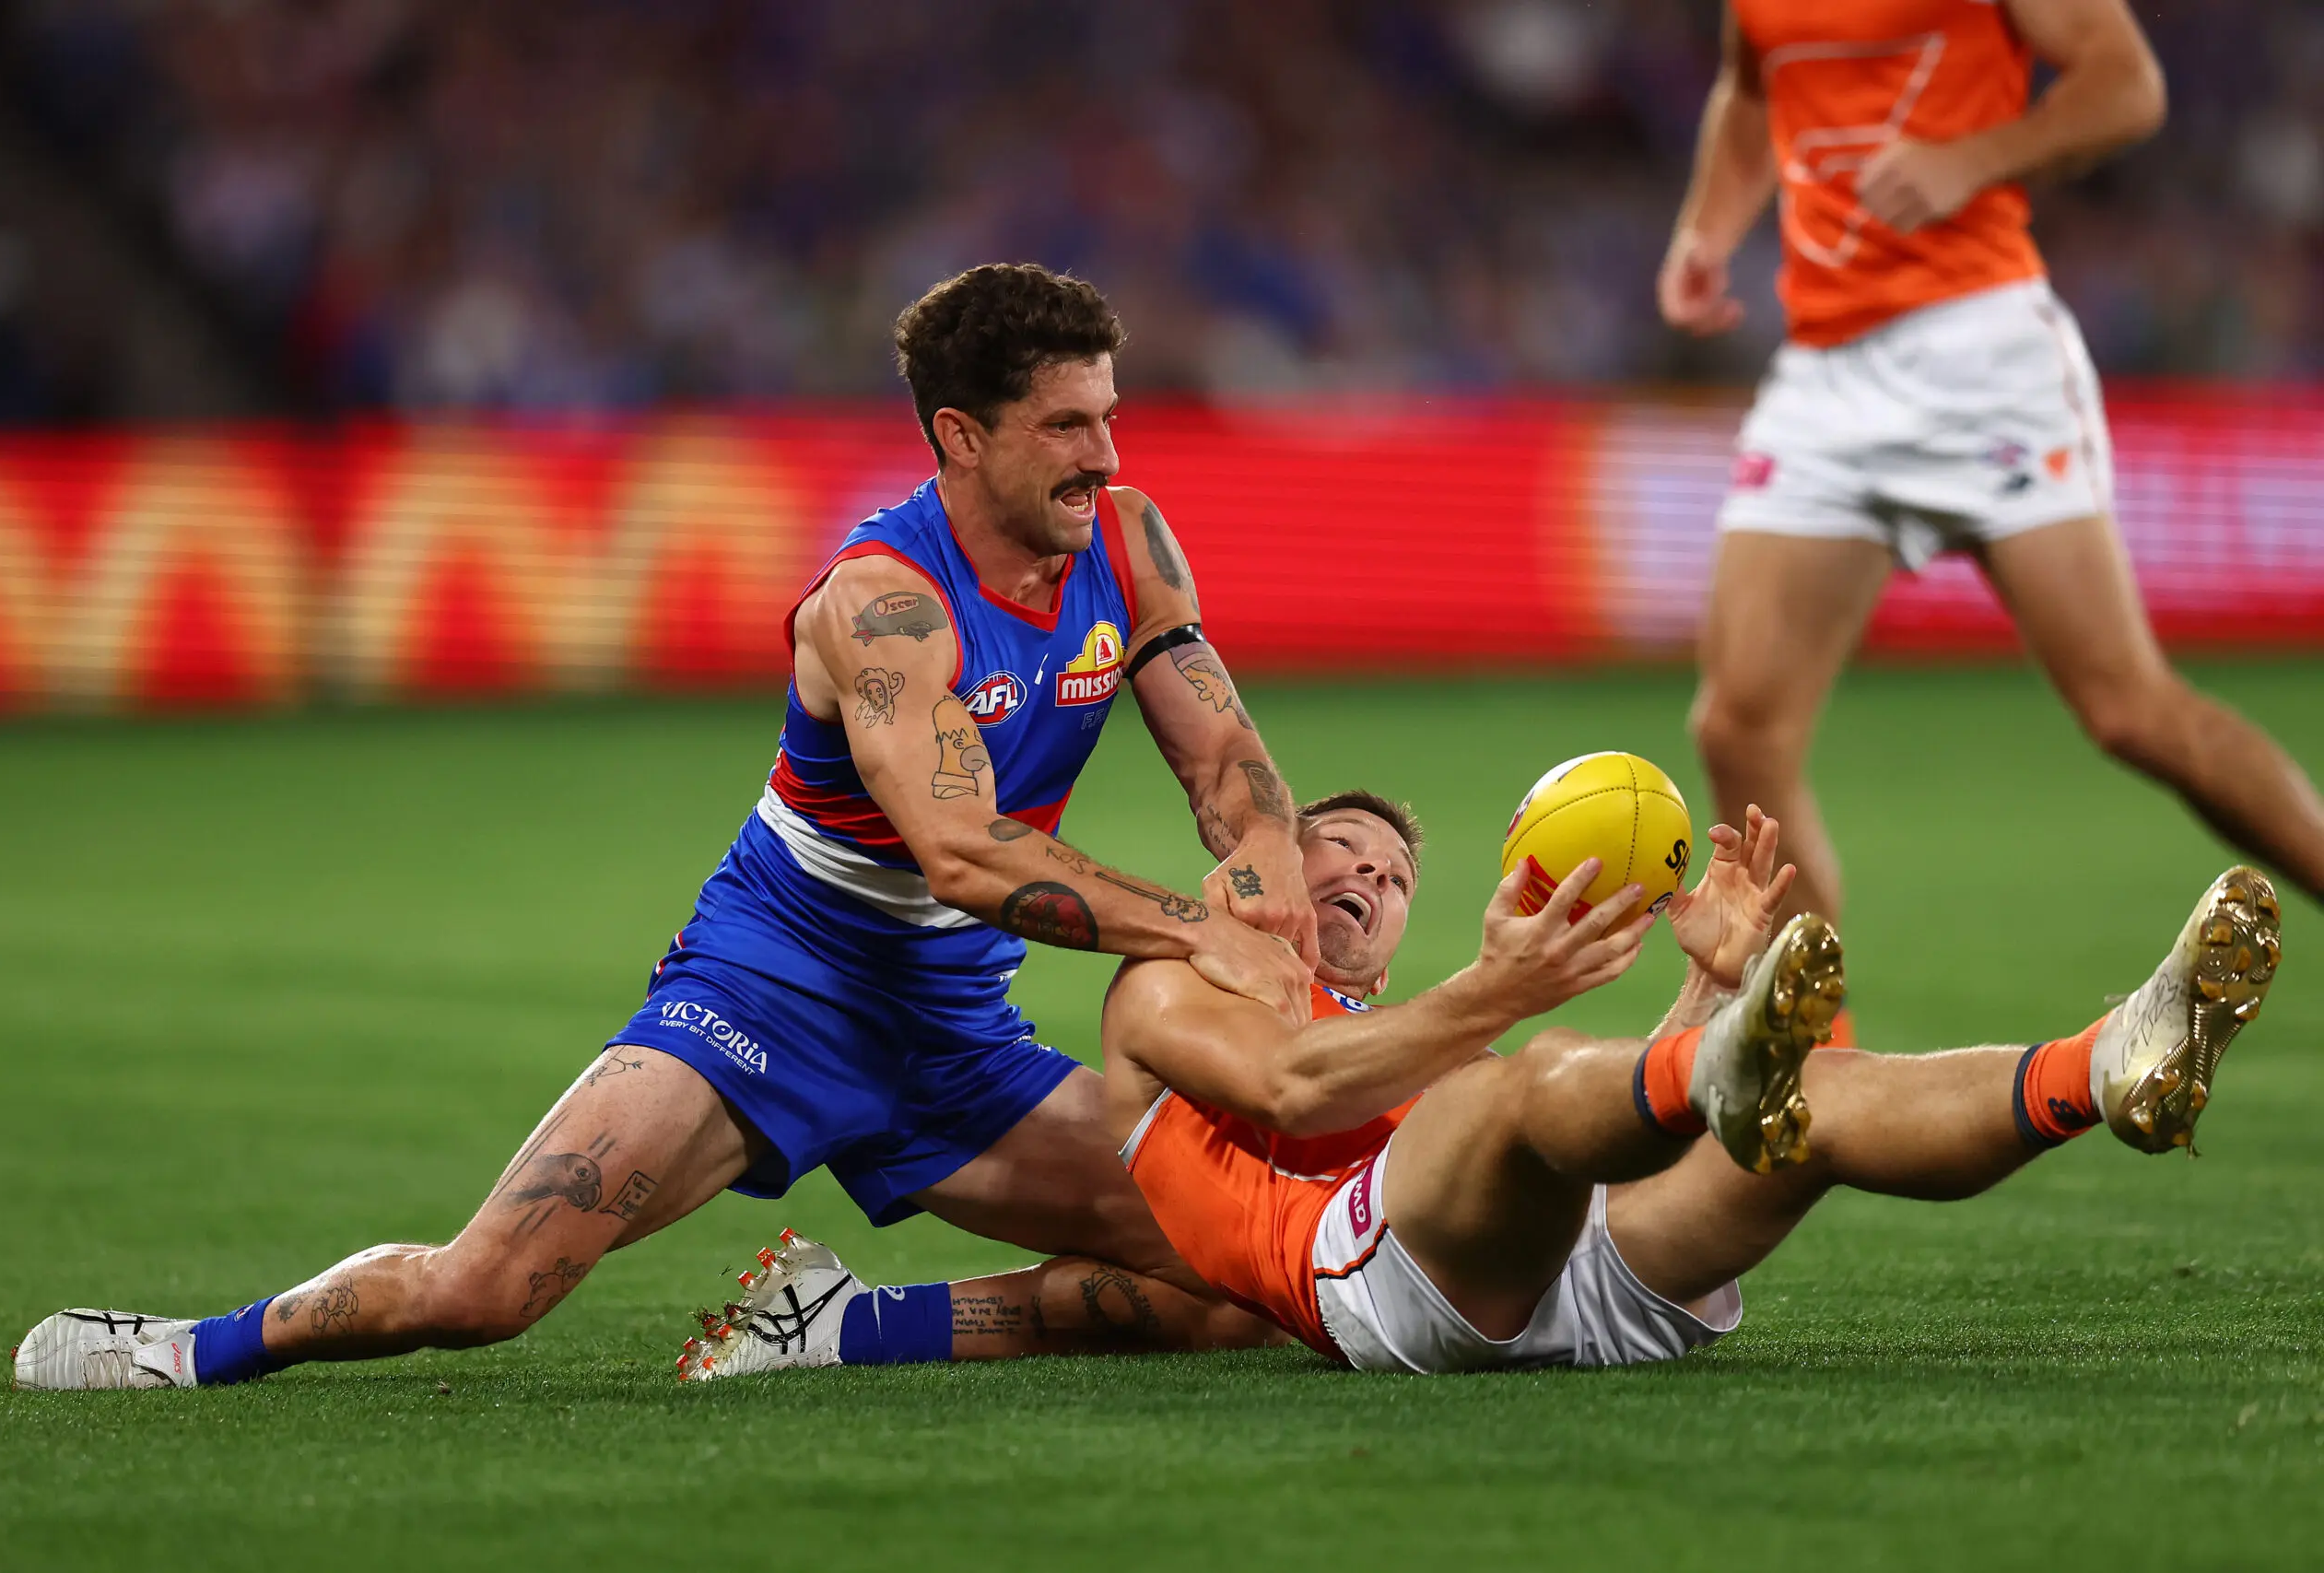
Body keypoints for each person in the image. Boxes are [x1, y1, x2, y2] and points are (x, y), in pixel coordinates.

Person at [13, 263, 1320, 1391]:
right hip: (772, 992)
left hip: (952, 1027)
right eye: (1066, 425)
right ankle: (186, 1347)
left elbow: (1228, 763)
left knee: (1235, 1272)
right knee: (486, 1288)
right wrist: (1202, 932)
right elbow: (965, 852)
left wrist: (1272, 894)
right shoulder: (881, 602)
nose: (1105, 454)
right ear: (961, 437)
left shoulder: (1130, 537)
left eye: (1107, 415)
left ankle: (837, 1324)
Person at [702, 796, 2279, 1375]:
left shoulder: (1428, 1026)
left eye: (1392, 876)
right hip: (1386, 1299)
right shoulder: (1164, 988)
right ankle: (1720, 1052)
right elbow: (1309, 1087)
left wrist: (1712, 971)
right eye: (1337, 855)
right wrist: (1506, 1000)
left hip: (1580, 1278)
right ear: (1253, 868)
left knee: (1817, 1112)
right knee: (1520, 1087)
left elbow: (1613, 1117)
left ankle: (2110, 1067)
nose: (1368, 883)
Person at [1660, 0, 2324, 980]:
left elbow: (2124, 84)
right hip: (1827, 377)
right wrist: (1707, 228)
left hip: (1982, 359)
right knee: (1737, 726)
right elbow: (1753, 82)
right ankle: (1807, 1066)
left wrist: (1970, 157)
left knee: (2128, 713)